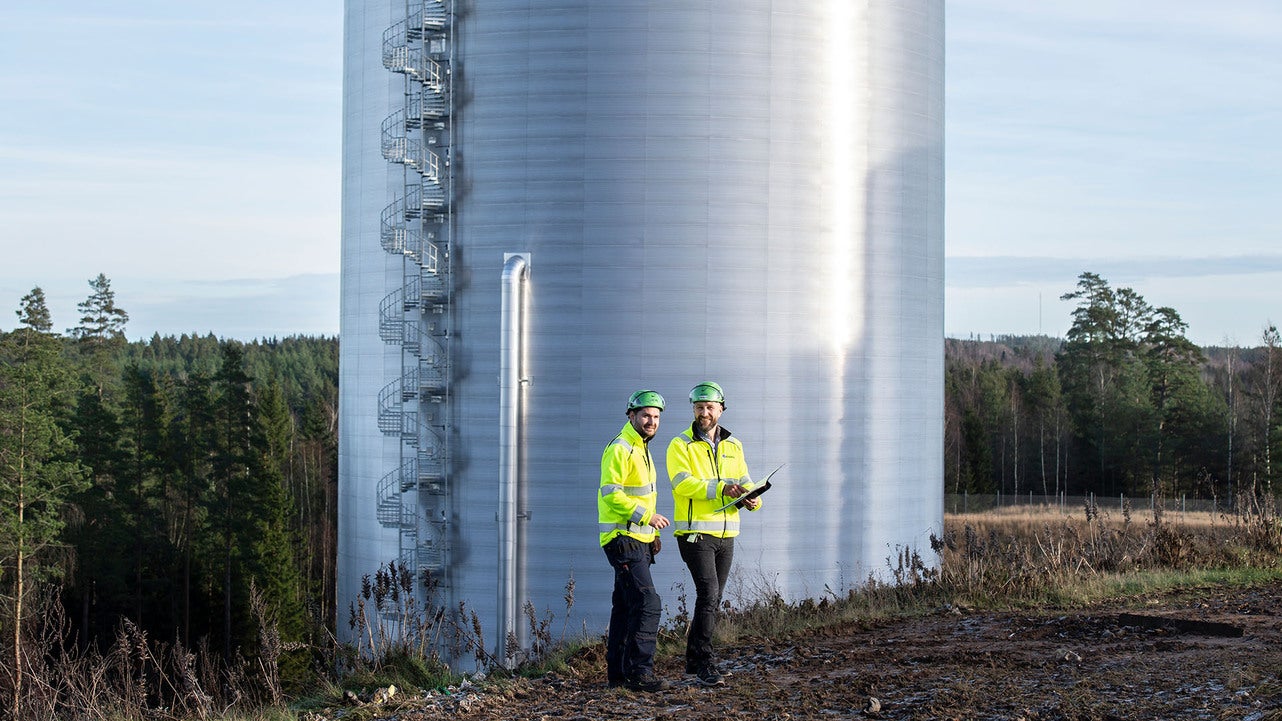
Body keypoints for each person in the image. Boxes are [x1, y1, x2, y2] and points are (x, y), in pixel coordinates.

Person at [666, 381, 761, 687]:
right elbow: (683, 484)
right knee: (708, 593)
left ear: (721, 409)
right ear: (693, 410)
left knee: (713, 597)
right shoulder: (680, 444)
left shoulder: (734, 445)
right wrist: (721, 489)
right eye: (699, 408)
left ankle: (694, 663)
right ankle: (705, 663)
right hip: (695, 533)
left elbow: (744, 479)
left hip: (726, 532)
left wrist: (753, 498)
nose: (704, 412)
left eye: (709, 407)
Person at [598, 389, 672, 692]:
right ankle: (640, 673)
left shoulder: (641, 447)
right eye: (645, 415)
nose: (651, 421)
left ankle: (617, 676)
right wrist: (647, 518)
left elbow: (643, 494)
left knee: (625, 606)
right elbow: (611, 494)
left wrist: (651, 534)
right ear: (631, 415)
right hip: (621, 538)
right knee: (648, 603)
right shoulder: (622, 448)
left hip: (637, 539)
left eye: (655, 417)